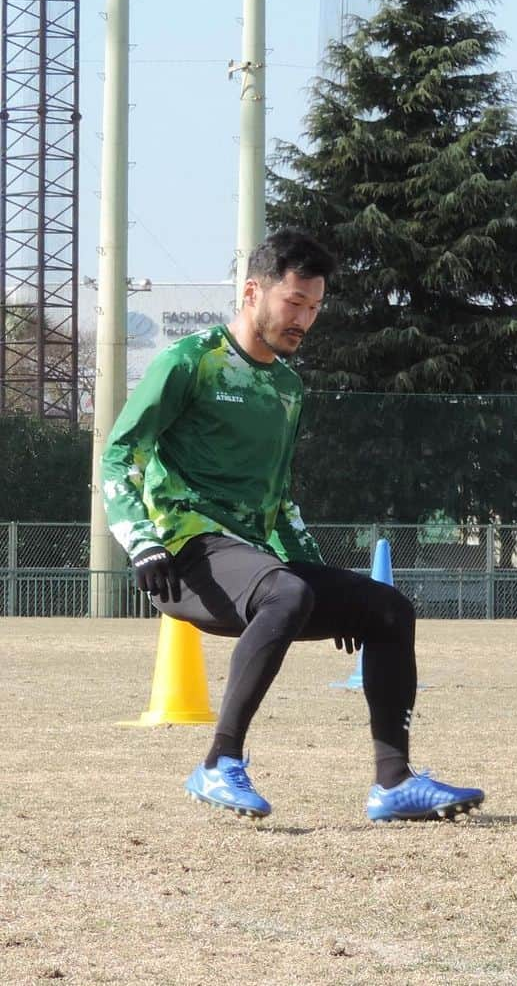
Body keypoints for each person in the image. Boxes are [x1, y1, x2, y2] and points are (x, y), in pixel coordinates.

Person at [101, 229, 484, 822]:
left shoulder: (286, 386)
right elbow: (118, 455)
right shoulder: (189, 362)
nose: (303, 319)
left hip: (252, 560)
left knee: (387, 608)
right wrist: (141, 541)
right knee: (289, 591)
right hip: (182, 552)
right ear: (253, 292)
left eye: (314, 307)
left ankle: (394, 783)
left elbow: (279, 500)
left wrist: (327, 577)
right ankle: (217, 763)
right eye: (294, 303)